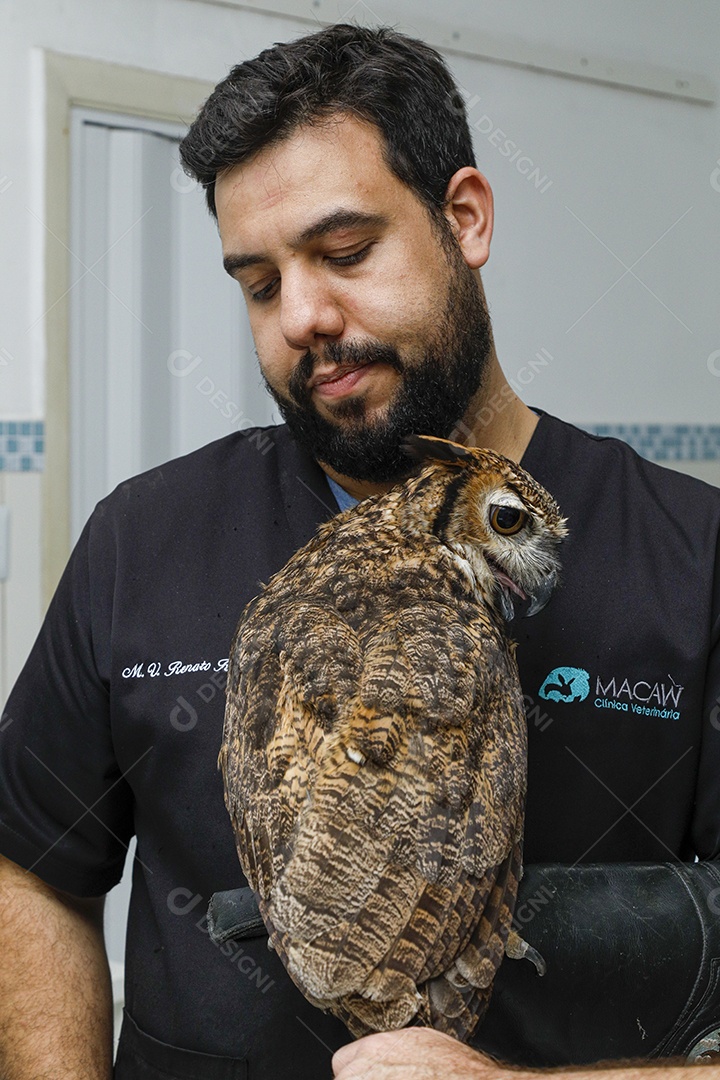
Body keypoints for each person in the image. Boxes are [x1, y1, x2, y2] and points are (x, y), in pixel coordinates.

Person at [0, 22, 718, 1080]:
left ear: (465, 217)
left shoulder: (691, 559)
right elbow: (34, 866)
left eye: (346, 253)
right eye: (257, 283)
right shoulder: (143, 537)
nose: (304, 317)